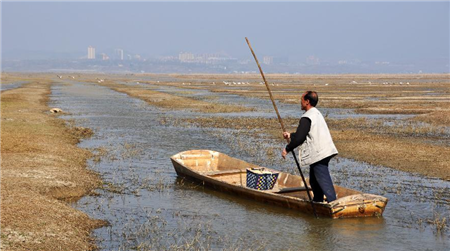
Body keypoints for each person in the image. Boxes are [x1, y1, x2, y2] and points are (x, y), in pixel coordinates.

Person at [281, 91, 338, 203]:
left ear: (307, 102)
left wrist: (287, 149)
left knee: (323, 179)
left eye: (301, 99)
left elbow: (299, 139)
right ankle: (318, 202)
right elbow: (305, 134)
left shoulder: (307, 117)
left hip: (319, 153)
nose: (300, 102)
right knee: (314, 181)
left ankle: (333, 204)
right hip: (324, 151)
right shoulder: (316, 113)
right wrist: (290, 135)